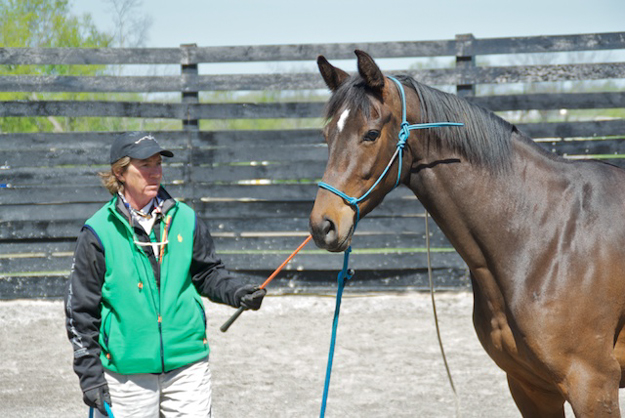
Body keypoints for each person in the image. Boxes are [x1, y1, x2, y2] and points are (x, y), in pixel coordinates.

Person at [64, 132, 266, 417]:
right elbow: (80, 311)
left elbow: (207, 273)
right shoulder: (97, 231)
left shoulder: (186, 218)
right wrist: (90, 376)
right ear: (120, 172)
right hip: (126, 374)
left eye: (158, 163)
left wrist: (237, 291)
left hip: (188, 365)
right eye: (145, 165)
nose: (155, 172)